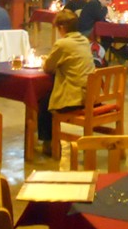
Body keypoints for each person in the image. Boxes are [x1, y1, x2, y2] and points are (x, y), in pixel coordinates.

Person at [37, 9, 94, 155]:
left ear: (61, 27)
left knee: (43, 99)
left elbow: (48, 68)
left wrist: (44, 61)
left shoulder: (62, 44)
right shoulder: (84, 40)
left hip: (75, 97)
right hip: (91, 94)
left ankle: (48, 142)